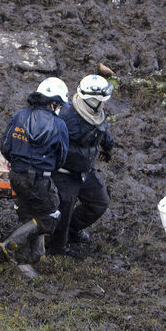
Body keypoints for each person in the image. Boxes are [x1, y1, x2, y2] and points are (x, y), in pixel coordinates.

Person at [0, 77, 70, 265]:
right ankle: (10, 244)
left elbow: (5, 146)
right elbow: (61, 158)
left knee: (29, 214)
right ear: (54, 103)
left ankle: (36, 256)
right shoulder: (59, 125)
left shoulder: (19, 116)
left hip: (16, 175)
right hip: (40, 179)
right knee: (49, 218)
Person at [50, 75, 115, 254]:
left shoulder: (98, 115)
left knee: (99, 202)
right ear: (92, 100)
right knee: (63, 211)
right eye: (102, 101)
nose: (104, 104)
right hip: (64, 173)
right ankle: (56, 247)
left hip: (86, 171)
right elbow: (50, 145)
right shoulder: (64, 118)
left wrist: (108, 147)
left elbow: (103, 132)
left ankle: (72, 230)